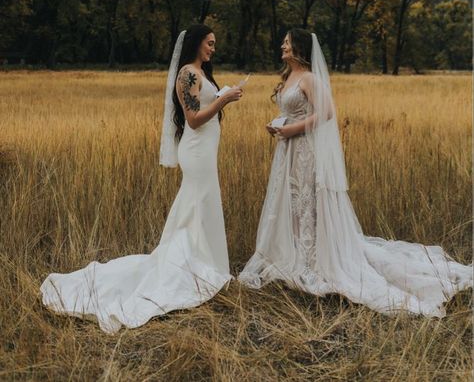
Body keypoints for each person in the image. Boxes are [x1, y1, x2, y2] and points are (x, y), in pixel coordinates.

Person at [238, 28, 472, 317]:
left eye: (286, 43)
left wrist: (289, 129)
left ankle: (314, 260)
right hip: (288, 150)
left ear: (298, 48)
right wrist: (279, 124)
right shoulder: (289, 77)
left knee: (308, 202)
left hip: (305, 150)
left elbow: (325, 113)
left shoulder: (310, 78)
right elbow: (296, 111)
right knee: (292, 203)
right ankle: (295, 254)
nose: (282, 46)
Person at [40, 24, 243, 333]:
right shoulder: (187, 74)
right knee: (198, 204)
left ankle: (204, 265)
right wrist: (224, 100)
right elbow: (194, 118)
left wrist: (221, 94)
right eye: (210, 43)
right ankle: (190, 269)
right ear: (196, 44)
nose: (213, 48)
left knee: (199, 208)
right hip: (196, 152)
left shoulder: (200, 73)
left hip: (205, 152)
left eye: (214, 44)